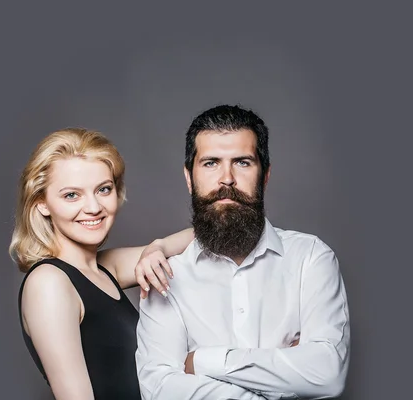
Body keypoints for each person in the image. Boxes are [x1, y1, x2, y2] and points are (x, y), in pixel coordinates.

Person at [136, 105, 350, 399]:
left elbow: (327, 375)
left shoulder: (311, 258)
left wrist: (201, 361)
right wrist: (282, 374)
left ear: (265, 175)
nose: (227, 179)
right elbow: (159, 389)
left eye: (243, 162)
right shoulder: (165, 275)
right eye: (211, 163)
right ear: (189, 178)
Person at [9, 127, 193, 400]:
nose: (93, 207)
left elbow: (203, 236)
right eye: (72, 195)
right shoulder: (49, 282)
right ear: (42, 203)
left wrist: (159, 246)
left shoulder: (105, 267)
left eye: (103, 189)